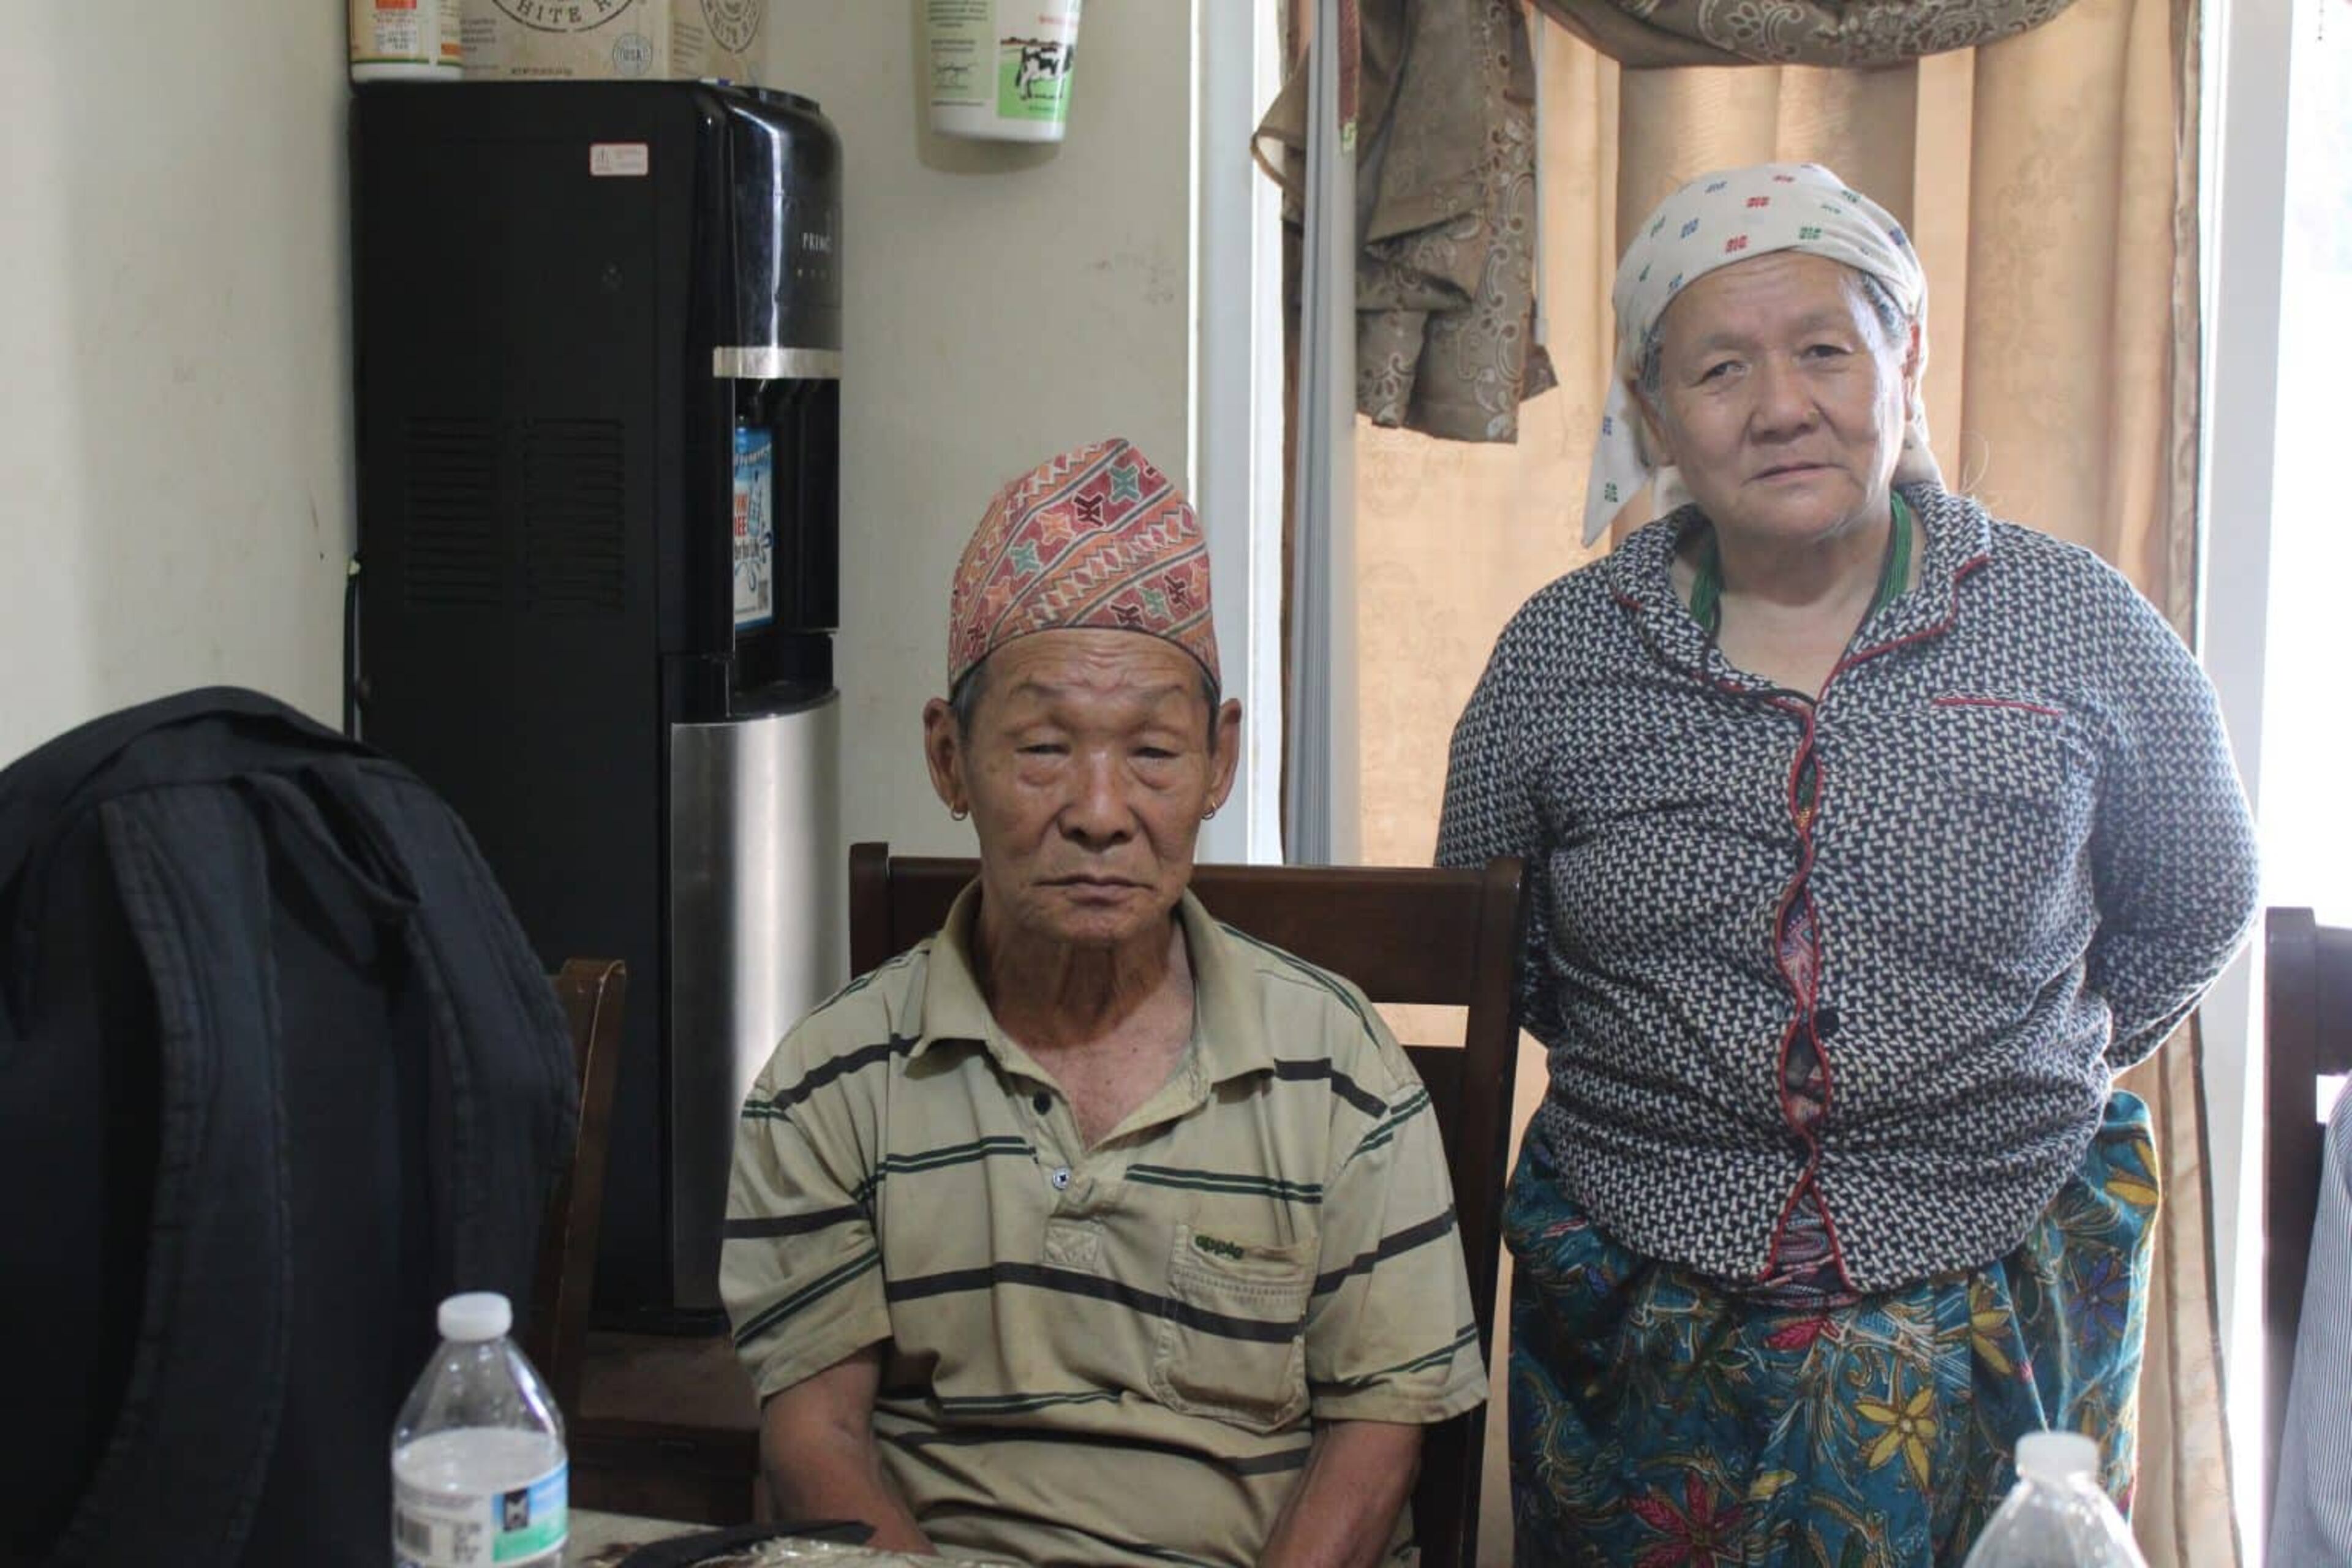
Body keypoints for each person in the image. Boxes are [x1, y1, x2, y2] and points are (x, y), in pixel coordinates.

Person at [1436, 162, 2260, 1564]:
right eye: (1719, 367)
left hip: (2006, 1271)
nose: (1781, 405)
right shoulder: (1563, 656)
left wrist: (2014, 1063)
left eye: (1826, 348)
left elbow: (2197, 894)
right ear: (1652, 412)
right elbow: (1489, 943)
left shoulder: (2075, 623)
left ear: (1908, 358)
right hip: (1650, 1293)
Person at [724, 437, 1485, 1567]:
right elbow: (815, 1431)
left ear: (1220, 762)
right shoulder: (829, 1083)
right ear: (949, 758)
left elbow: (1378, 1440)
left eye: (1154, 753)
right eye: (1040, 748)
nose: (1098, 810)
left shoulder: (1339, 1073)